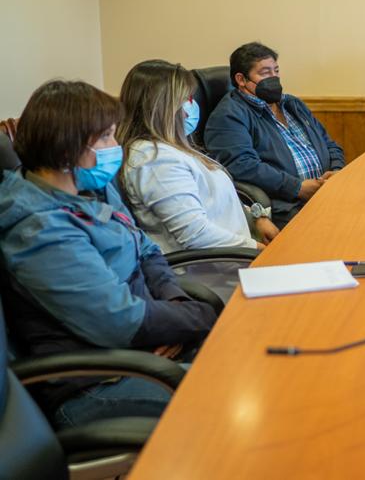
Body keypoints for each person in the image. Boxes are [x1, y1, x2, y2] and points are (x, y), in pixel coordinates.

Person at [0, 80, 216, 427]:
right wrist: (202, 316)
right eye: (106, 137)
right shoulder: (38, 229)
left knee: (255, 359)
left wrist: (176, 306)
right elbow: (119, 321)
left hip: (145, 349)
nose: (116, 146)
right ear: (69, 150)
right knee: (231, 396)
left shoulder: (90, 188)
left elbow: (146, 249)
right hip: (97, 380)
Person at [118, 60, 278, 253]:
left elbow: (214, 202)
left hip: (234, 252)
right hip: (211, 269)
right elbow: (195, 235)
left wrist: (255, 217)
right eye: (186, 99)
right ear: (163, 107)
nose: (189, 109)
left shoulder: (172, 148)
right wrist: (258, 249)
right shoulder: (155, 160)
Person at [204, 42, 345, 229]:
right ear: (241, 79)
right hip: (286, 206)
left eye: (276, 71)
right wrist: (297, 188)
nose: (274, 78)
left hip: (326, 194)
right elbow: (241, 166)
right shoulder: (229, 115)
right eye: (265, 73)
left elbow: (329, 144)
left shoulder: (292, 104)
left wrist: (336, 172)